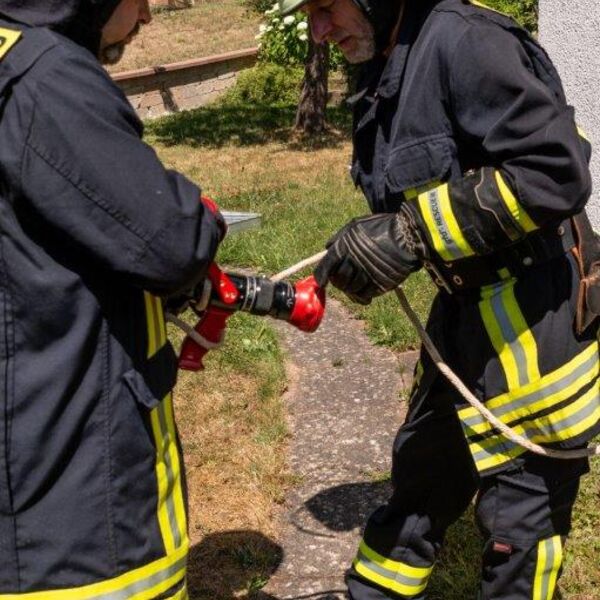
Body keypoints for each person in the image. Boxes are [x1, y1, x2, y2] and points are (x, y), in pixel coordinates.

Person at [279, 0, 600, 598]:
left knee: (518, 534)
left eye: (327, 6)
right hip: (461, 320)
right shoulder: (389, 61)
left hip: (536, 329)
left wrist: (414, 233)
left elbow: (556, 171)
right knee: (420, 484)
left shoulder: (468, 42)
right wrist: (386, 240)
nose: (319, 31)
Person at [0, 0, 224, 597]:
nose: (148, 15)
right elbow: (172, 240)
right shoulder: (47, 78)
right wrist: (198, 212)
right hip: (77, 517)